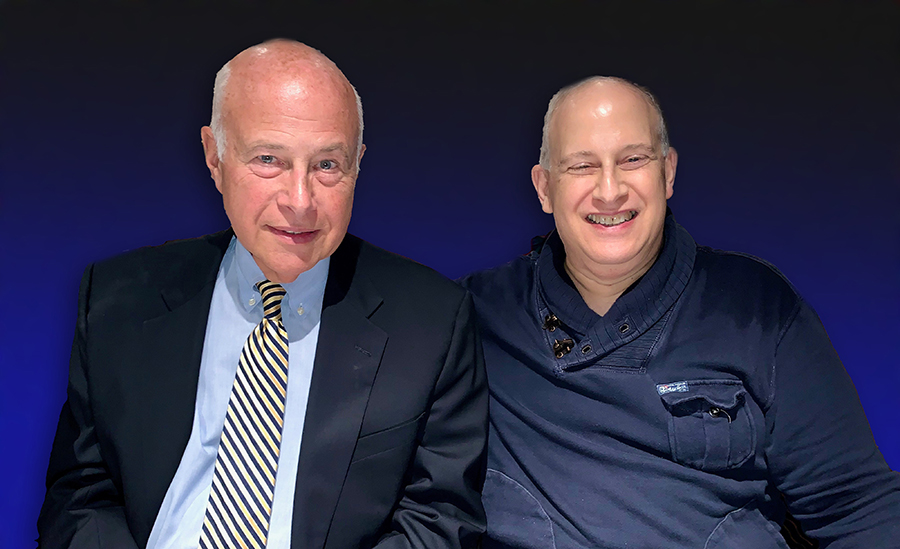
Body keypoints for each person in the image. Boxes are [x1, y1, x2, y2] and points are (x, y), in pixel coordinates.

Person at [38, 39, 488, 549]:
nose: (300, 202)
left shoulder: (432, 322)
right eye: (269, 159)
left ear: (358, 164)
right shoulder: (117, 300)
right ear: (215, 157)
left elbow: (439, 521)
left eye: (327, 165)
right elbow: (82, 496)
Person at [459, 76, 900, 548]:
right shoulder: (471, 316)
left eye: (632, 160)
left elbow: (859, 509)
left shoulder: (758, 311)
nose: (610, 191)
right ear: (544, 188)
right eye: (582, 166)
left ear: (668, 172)